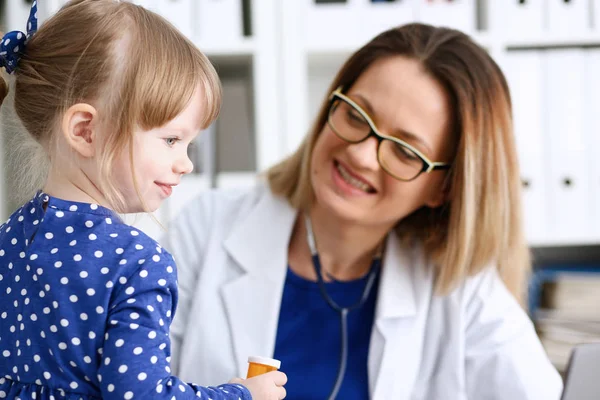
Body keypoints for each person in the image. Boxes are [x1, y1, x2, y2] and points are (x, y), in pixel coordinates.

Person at [163, 23, 564, 400]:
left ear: (445, 187)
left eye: (405, 151)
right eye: (356, 115)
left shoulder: (460, 288)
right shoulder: (209, 227)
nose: (360, 154)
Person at [0, 1, 287, 399]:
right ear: (85, 131)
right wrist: (242, 395)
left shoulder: (9, 239)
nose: (185, 163)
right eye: (171, 139)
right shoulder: (137, 263)